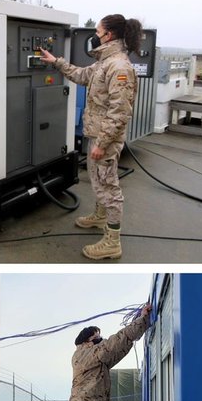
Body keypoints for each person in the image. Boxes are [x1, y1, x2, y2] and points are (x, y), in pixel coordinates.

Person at [36, 15, 141, 261]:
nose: (95, 35)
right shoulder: (104, 63)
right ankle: (100, 216)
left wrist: (102, 143)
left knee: (109, 186)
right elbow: (81, 75)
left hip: (106, 137)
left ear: (109, 35)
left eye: (98, 31)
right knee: (98, 180)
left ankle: (112, 242)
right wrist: (56, 61)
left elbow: (120, 112)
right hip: (97, 134)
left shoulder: (119, 67)